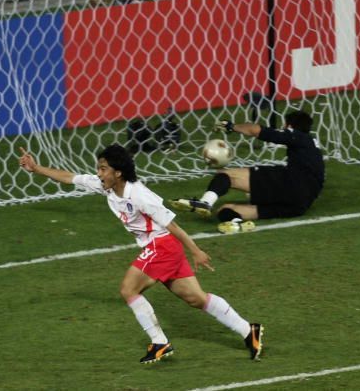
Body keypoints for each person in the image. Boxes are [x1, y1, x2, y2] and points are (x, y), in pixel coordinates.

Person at [18, 144, 263, 363]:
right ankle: (247, 330)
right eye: (99, 168)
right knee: (195, 299)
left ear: (118, 173)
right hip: (162, 248)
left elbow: (172, 225)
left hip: (163, 246)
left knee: (128, 289)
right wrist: (36, 168)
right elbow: (70, 177)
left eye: (103, 169)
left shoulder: (140, 196)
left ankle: (159, 342)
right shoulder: (107, 186)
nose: (99, 173)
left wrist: (196, 251)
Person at [170, 110, 325, 234]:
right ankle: (237, 224)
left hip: (291, 184)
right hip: (300, 205)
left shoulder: (297, 135)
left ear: (289, 125)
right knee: (225, 210)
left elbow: (254, 130)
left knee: (227, 175)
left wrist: (231, 126)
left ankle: (205, 202)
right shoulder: (312, 145)